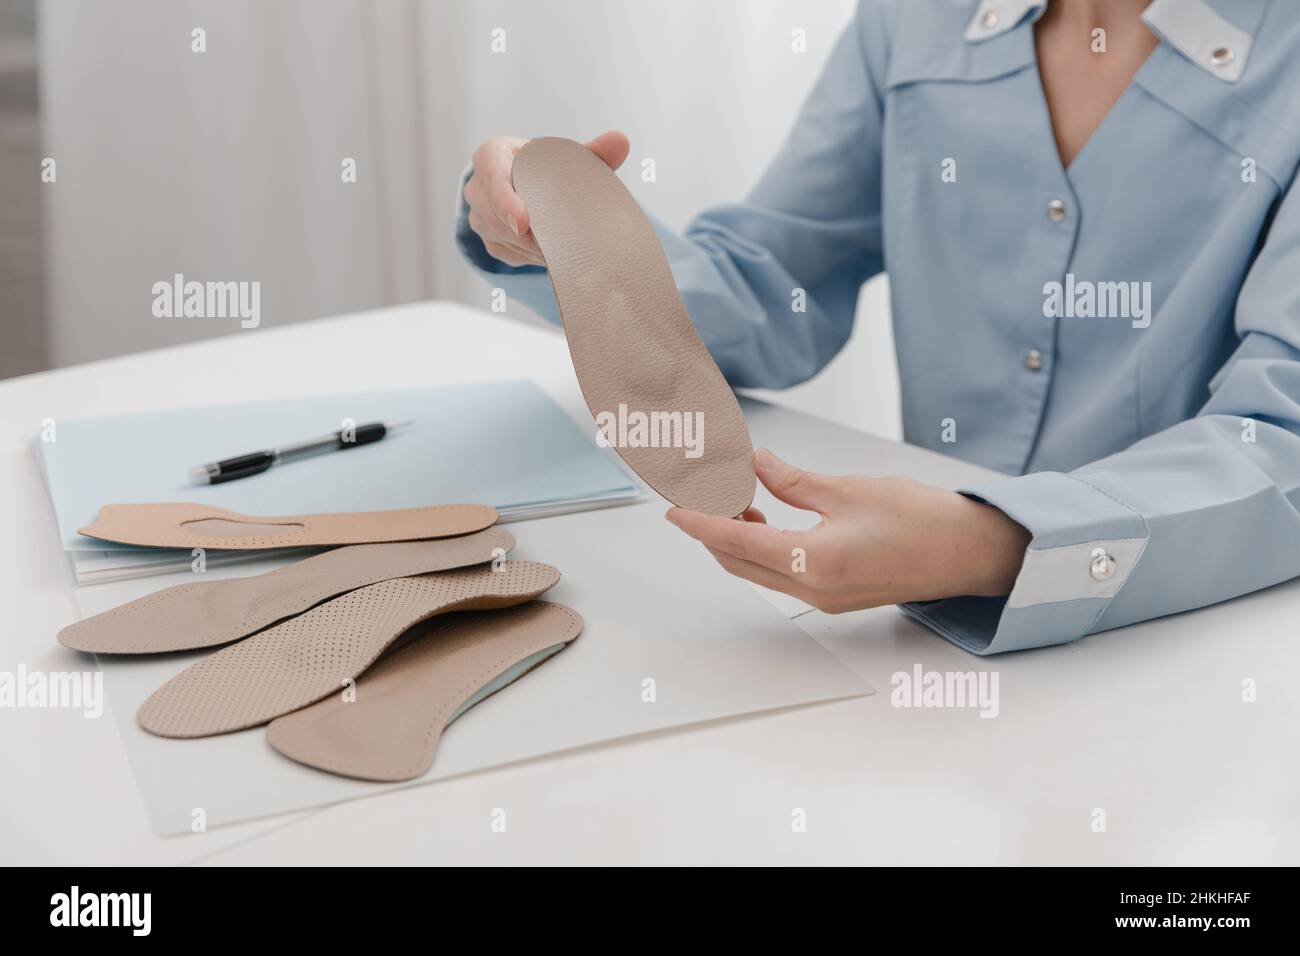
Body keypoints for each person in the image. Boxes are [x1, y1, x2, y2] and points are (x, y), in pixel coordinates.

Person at [454, 0, 1300, 654]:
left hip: (1201, 653)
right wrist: (564, 241)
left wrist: (996, 542)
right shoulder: (914, 18)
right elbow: (779, 281)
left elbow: (1280, 441)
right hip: (909, 653)